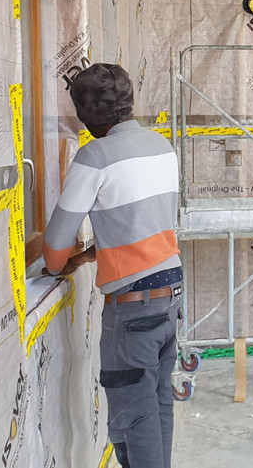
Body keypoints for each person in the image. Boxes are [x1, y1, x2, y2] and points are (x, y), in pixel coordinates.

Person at [39, 63, 182, 468]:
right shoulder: (161, 146)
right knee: (156, 405)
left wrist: (63, 260)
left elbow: (53, 250)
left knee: (132, 420)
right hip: (170, 295)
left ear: (86, 118)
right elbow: (140, 228)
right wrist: (91, 254)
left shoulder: (94, 157)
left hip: (134, 308)